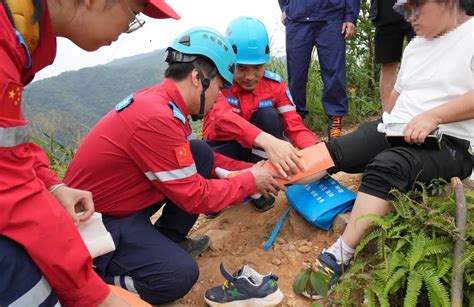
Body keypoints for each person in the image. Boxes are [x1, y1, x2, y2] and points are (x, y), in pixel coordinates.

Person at [63, 27, 286, 304]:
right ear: (198, 78)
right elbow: (195, 196)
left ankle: (168, 239)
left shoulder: (165, 104)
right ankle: (93, 281)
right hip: (100, 224)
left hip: (123, 205)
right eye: (219, 86)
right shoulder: (157, 118)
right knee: (177, 276)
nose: (219, 95)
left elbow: (206, 162)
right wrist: (250, 181)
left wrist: (255, 170)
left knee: (200, 153)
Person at [0, 0, 179, 306]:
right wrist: (91, 293)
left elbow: (10, 149)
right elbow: (10, 183)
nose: (128, 28)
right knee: (28, 282)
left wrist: (53, 184)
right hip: (110, 219)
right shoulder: (5, 49)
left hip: (111, 215)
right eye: (134, 13)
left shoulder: (17, 37)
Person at [297, 0, 474, 299]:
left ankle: (339, 254)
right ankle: (264, 179)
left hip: (449, 140)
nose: (411, 17)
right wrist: (379, 130)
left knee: (388, 165)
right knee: (339, 150)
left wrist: (435, 116)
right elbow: (397, 96)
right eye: (406, 10)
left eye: (417, 7)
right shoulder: (416, 45)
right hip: (396, 128)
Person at [203, 16, 320, 212]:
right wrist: (265, 139)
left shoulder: (274, 86)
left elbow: (294, 125)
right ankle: (231, 186)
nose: (250, 76)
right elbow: (223, 118)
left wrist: (317, 152)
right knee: (203, 157)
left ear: (266, 62)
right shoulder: (219, 84)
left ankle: (260, 183)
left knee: (269, 116)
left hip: (256, 152)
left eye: (257, 67)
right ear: (230, 63)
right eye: (241, 68)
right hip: (223, 147)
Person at [278, 0, 360, 139]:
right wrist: (287, 7)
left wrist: (350, 16)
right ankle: (296, 122)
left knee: (334, 73)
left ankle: (335, 118)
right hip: (298, 17)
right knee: (296, 75)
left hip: (332, 17)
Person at [370, 0, 415, 111]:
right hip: (385, 12)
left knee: (424, 62)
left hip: (418, 8)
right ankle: (388, 117)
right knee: (387, 65)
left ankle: (425, 112)